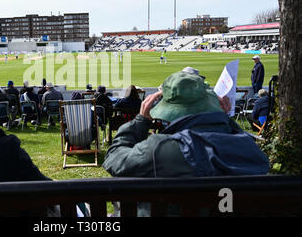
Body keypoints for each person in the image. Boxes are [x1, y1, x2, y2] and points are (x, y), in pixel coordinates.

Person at [102, 71, 269, 216]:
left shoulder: (160, 149)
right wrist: (223, 117)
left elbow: (114, 158)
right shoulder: (247, 147)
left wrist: (140, 121)